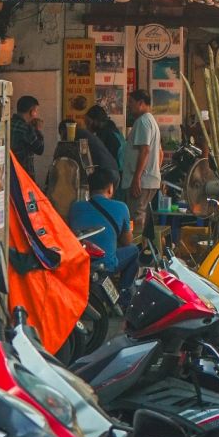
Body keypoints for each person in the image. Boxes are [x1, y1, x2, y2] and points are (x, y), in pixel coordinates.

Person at [69, 168, 139, 294]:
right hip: (105, 266)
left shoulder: (75, 207)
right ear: (110, 188)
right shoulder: (121, 207)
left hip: (79, 266)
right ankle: (124, 293)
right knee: (134, 250)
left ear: (90, 189)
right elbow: (127, 241)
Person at [121, 88, 162, 236]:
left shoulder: (143, 122)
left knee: (136, 217)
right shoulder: (151, 121)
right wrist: (155, 172)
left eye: (131, 102)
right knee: (142, 217)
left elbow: (145, 150)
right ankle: (143, 249)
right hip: (149, 179)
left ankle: (136, 252)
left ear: (141, 103)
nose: (129, 106)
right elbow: (160, 153)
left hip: (141, 181)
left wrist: (137, 178)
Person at [10, 95, 45, 179]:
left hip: (9, 172)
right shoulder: (27, 128)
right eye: (36, 111)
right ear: (31, 112)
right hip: (23, 174)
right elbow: (39, 149)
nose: (36, 114)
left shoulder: (9, 123)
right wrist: (38, 130)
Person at [85, 103, 126, 173]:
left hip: (116, 171)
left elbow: (97, 155)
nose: (87, 127)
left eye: (88, 123)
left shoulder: (104, 132)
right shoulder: (111, 126)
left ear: (96, 121)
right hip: (121, 169)